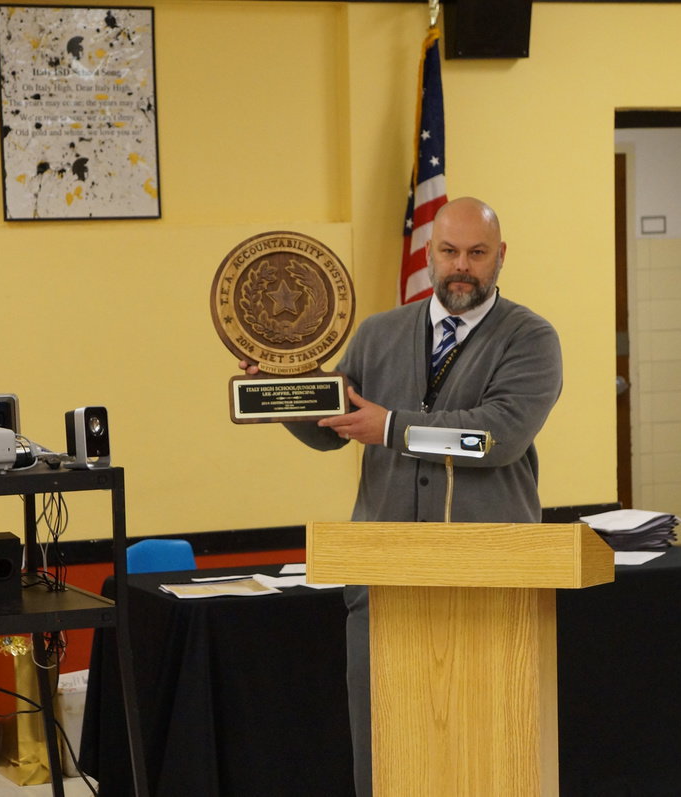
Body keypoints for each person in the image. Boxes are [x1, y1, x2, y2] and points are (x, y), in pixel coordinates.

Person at [240, 196, 562, 796]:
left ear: (500, 258)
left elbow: (497, 437)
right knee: (384, 749)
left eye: (476, 252)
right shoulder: (379, 333)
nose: (460, 265)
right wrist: (277, 392)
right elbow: (332, 426)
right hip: (381, 575)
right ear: (430, 255)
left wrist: (392, 428)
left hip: (489, 576)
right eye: (448, 251)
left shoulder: (531, 338)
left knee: (489, 750)